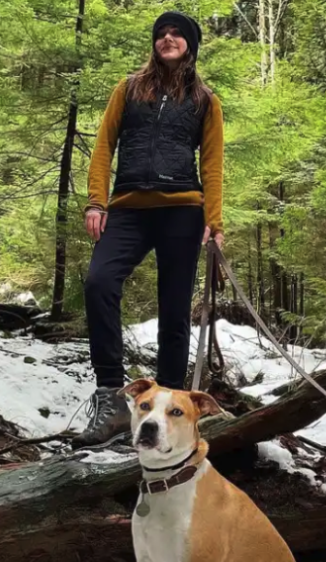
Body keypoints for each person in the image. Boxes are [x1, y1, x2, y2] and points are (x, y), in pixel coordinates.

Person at [73, 11, 224, 450]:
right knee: (99, 282)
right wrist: (96, 200)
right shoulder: (129, 89)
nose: (168, 38)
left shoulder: (205, 100)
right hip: (128, 209)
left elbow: (212, 165)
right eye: (162, 34)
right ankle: (112, 400)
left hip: (183, 211)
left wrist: (215, 223)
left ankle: (170, 408)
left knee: (174, 312)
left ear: (190, 45)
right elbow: (103, 146)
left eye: (177, 34)